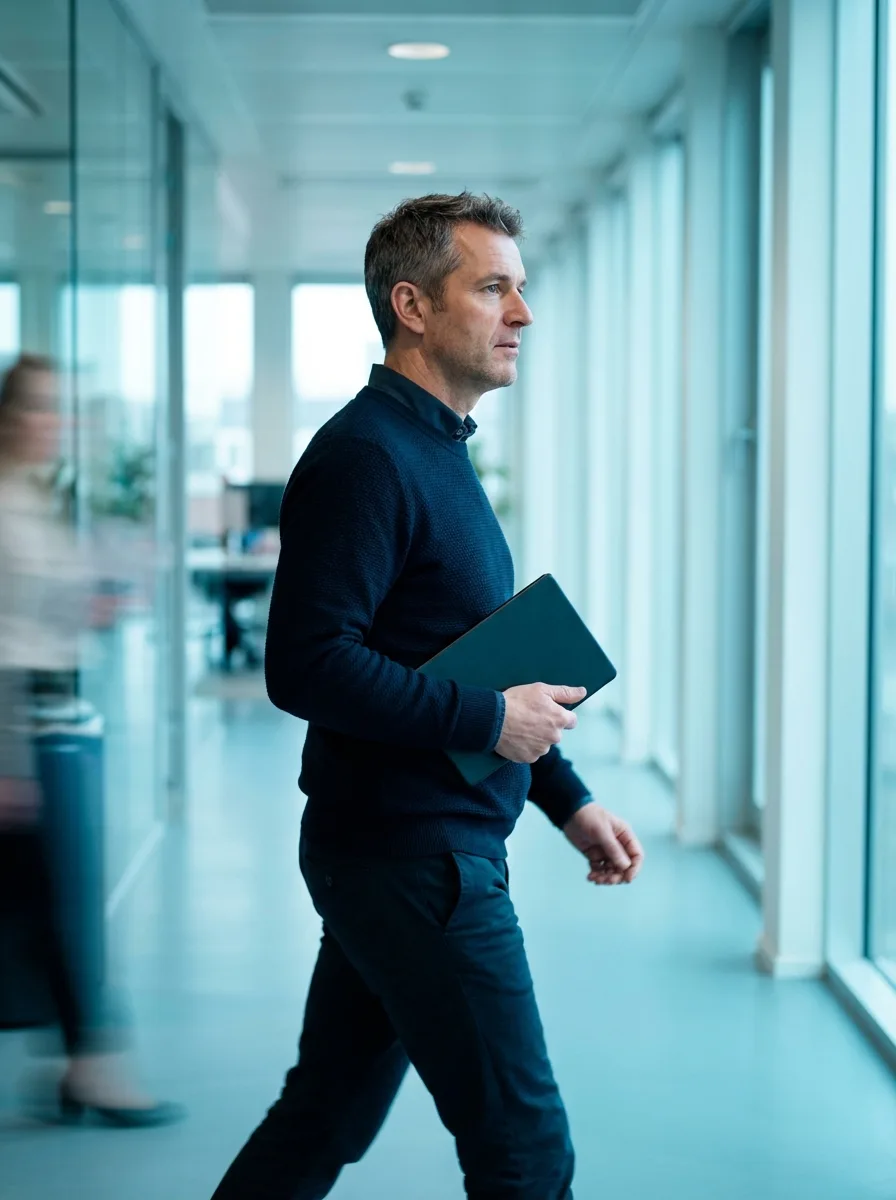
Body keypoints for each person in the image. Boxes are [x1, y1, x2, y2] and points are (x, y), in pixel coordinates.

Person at [211, 193, 644, 1200]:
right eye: (493, 288)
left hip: (406, 850)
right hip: (416, 862)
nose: (522, 313)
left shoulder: (437, 447)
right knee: (526, 1152)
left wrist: (566, 799)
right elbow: (307, 664)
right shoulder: (367, 457)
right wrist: (493, 720)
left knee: (322, 1115)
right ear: (411, 305)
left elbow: (468, 657)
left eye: (519, 288)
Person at [0, 354, 181, 1128]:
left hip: (46, 721)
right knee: (54, 906)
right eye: (41, 406)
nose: (55, 422)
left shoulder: (35, 500)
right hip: (14, 732)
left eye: (61, 407)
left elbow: (40, 612)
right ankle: (92, 1069)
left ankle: (82, 1066)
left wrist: (97, 599)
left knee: (52, 905)